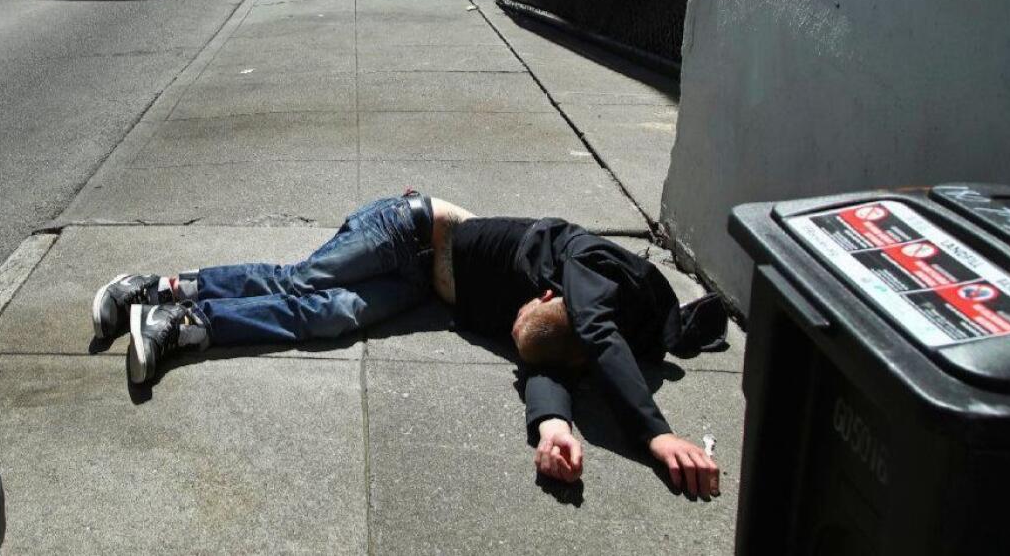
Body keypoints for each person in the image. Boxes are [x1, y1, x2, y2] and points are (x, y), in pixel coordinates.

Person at [90, 192, 727, 497]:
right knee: (303, 278)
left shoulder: (581, 328)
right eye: (541, 300)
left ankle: (180, 325)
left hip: (425, 290)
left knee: (328, 318)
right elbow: (592, 334)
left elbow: (553, 359)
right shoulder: (593, 263)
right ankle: (159, 286)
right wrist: (654, 435)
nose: (531, 299)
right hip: (412, 231)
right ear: (564, 297)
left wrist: (553, 426)